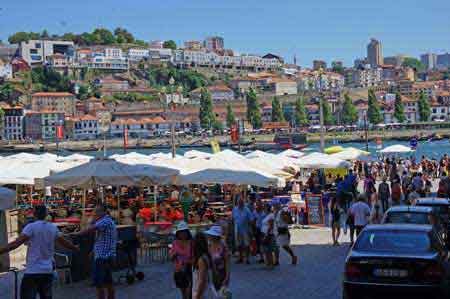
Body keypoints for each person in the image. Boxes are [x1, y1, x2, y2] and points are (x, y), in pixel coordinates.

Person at [0, 205, 79, 299]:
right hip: (47, 271)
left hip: (33, 271)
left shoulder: (31, 227)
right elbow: (64, 243)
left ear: (34, 214)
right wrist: (75, 248)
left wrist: (1, 251)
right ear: (46, 214)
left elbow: (16, 244)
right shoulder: (52, 227)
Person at [74, 205, 117, 299]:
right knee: (108, 282)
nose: (94, 214)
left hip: (103, 256)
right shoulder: (107, 220)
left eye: (96, 212)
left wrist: (75, 234)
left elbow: (90, 229)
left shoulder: (105, 221)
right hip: (106, 255)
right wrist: (94, 251)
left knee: (99, 284)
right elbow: (100, 239)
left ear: (103, 212)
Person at [170, 222, 193, 299]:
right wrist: (174, 255)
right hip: (179, 270)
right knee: (183, 292)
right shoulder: (175, 243)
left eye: (184, 232)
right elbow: (171, 258)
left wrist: (187, 262)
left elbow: (195, 256)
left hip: (190, 269)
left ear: (187, 232)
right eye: (181, 232)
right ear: (178, 233)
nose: (183, 234)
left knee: (189, 291)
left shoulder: (192, 242)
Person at [204, 226, 230, 294]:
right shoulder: (208, 245)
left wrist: (227, 277)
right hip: (211, 273)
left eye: (211, 234)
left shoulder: (223, 245)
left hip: (221, 273)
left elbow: (227, 262)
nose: (209, 236)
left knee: (222, 293)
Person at [192, 233, 214, 299]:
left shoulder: (201, 260)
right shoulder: (206, 256)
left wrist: (197, 296)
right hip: (207, 291)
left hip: (202, 294)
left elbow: (202, 281)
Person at [232, 198, 253, 264]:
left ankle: (247, 258)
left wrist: (250, 229)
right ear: (237, 203)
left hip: (245, 229)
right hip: (237, 229)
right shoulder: (235, 209)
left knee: (247, 244)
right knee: (239, 244)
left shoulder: (247, 210)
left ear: (243, 203)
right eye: (239, 203)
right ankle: (240, 257)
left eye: (241, 203)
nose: (240, 204)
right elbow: (233, 219)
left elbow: (251, 220)